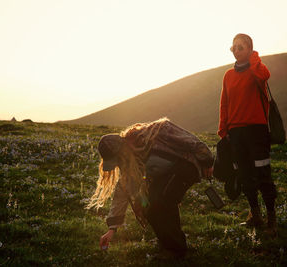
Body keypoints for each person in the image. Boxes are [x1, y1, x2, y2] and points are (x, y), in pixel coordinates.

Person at [87, 118, 213, 258]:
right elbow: (122, 192)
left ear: (123, 150)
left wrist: (207, 161)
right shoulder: (130, 163)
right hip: (169, 174)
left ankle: (176, 250)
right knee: (149, 206)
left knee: (162, 201)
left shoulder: (158, 131)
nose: (119, 164)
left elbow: (191, 141)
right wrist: (112, 228)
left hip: (186, 166)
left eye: (117, 159)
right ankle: (168, 244)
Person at [218, 33, 277, 236]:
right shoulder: (228, 75)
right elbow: (224, 104)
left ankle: (272, 220)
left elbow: (264, 75)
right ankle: (255, 216)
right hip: (236, 133)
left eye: (240, 47)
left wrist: (254, 57)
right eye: (233, 47)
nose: (235, 50)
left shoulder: (256, 70)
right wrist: (223, 130)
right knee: (244, 176)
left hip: (257, 131)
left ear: (250, 50)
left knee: (263, 175)